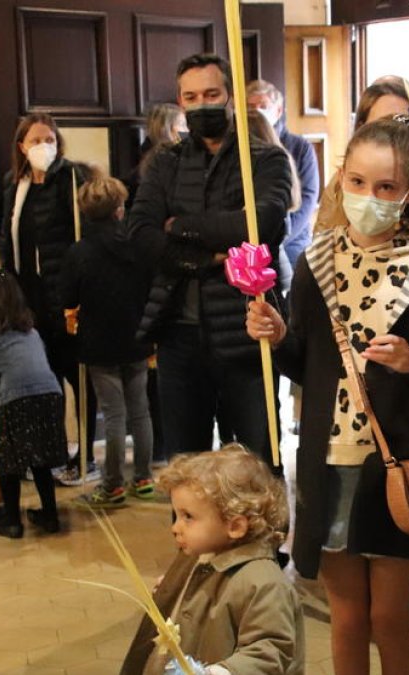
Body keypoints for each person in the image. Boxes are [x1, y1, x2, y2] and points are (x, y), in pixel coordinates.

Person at [246, 118, 409, 675]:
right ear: (340, 179)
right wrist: (278, 337)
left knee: (391, 611)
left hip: (393, 463)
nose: (370, 198)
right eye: (359, 182)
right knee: (345, 611)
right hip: (329, 458)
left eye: (386, 187)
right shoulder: (317, 263)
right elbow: (308, 364)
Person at [133, 53, 293, 466]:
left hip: (246, 330)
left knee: (260, 459)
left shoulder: (265, 159)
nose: (201, 103)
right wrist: (208, 259)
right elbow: (141, 234)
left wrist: (180, 225)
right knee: (186, 467)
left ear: (230, 96)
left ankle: (267, 534)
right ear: (180, 101)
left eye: (211, 93)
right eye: (191, 96)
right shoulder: (164, 164)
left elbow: (261, 225)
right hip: (179, 336)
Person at [120, 445, 304, 675]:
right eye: (177, 514)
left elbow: (270, 651)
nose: (175, 527)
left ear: (235, 526)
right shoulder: (196, 555)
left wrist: (219, 672)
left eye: (188, 517)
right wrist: (177, 593)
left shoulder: (264, 584)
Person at [0, 112, 98, 485]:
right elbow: (10, 240)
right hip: (29, 299)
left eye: (49, 139)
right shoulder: (14, 185)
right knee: (46, 379)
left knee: (78, 376)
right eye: (36, 140)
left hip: (66, 296)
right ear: (21, 146)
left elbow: (83, 232)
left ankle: (86, 454)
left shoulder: (71, 177)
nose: (44, 147)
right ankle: (51, 452)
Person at [62, 173, 160, 507]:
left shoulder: (79, 252)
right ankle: (144, 477)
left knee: (114, 413)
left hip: (99, 342)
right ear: (120, 209)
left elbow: (67, 296)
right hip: (136, 336)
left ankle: (113, 484)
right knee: (140, 411)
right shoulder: (137, 246)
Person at [0, 271, 68, 537]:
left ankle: (12, 521)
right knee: (40, 459)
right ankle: (50, 515)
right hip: (50, 394)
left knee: (7, 460)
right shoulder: (30, 330)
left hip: (14, 397)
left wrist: (0, 412)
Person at [248, 79, 321, 275]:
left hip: (292, 240)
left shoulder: (300, 147)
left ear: (278, 111)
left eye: (263, 106)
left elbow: (308, 197)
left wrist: (279, 237)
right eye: (251, 106)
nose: (256, 111)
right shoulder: (238, 146)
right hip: (250, 244)